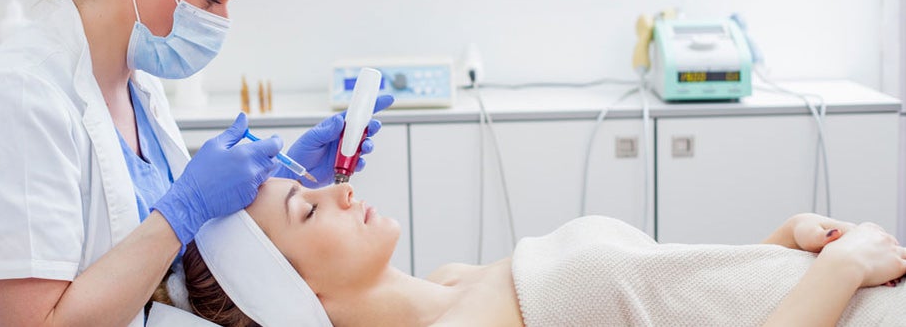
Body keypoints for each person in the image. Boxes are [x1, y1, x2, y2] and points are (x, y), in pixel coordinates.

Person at [0, 0, 393, 325]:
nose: (222, 19)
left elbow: (165, 257)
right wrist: (185, 207)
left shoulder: (135, 86)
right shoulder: (16, 98)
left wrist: (289, 182)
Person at [178, 178, 906, 326]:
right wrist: (843, 270)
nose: (338, 189)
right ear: (298, 295)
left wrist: (785, 239)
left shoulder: (452, 281)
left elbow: (662, 299)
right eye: (306, 210)